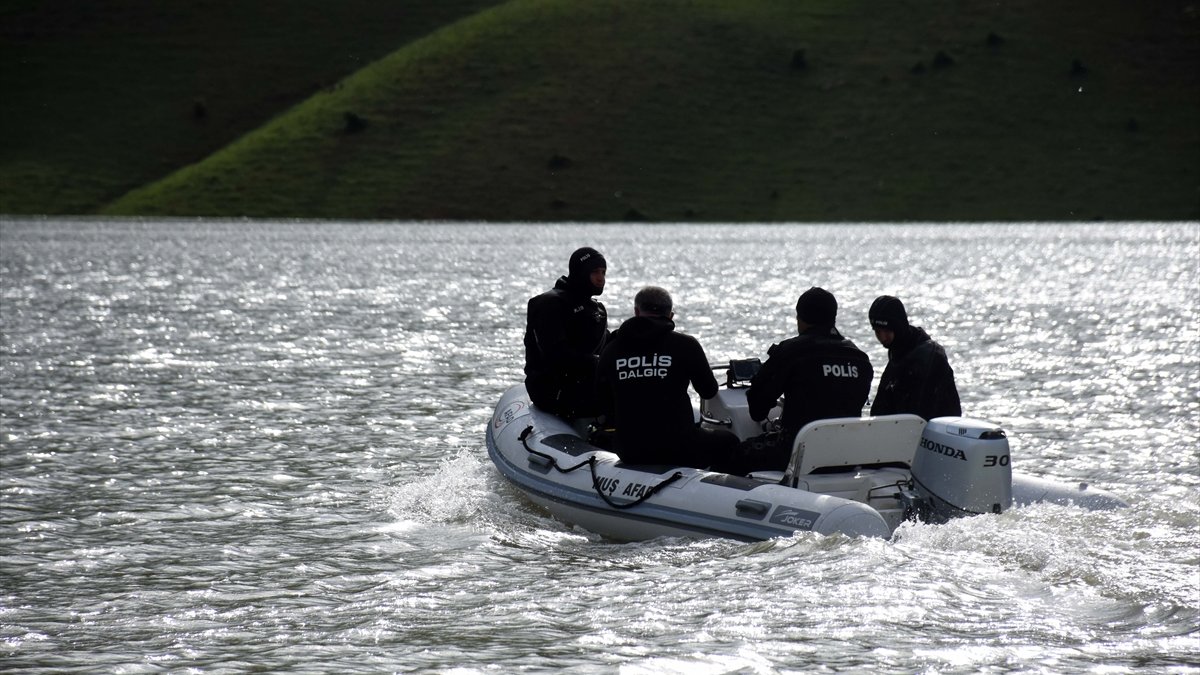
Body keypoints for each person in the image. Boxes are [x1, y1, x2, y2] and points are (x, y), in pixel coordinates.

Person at [719, 287, 874, 474]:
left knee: (730, 454)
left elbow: (758, 410)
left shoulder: (792, 351)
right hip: (846, 457)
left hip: (796, 453)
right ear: (833, 317)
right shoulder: (860, 359)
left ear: (800, 318)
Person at [596, 286, 739, 468]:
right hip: (679, 447)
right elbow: (708, 391)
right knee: (729, 441)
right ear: (671, 315)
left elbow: (601, 400)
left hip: (629, 449)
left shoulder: (611, 349)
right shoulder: (686, 345)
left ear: (636, 312)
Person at [523, 247, 610, 418]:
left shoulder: (596, 309)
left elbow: (606, 345)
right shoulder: (550, 304)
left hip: (585, 383)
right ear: (580, 273)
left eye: (603, 272)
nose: (601, 278)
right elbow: (555, 353)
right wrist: (597, 362)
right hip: (553, 389)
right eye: (595, 272)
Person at [867, 295, 962, 420]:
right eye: (878, 332)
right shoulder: (898, 353)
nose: (882, 337)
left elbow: (920, 412)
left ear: (898, 327)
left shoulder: (929, 357)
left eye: (887, 331)